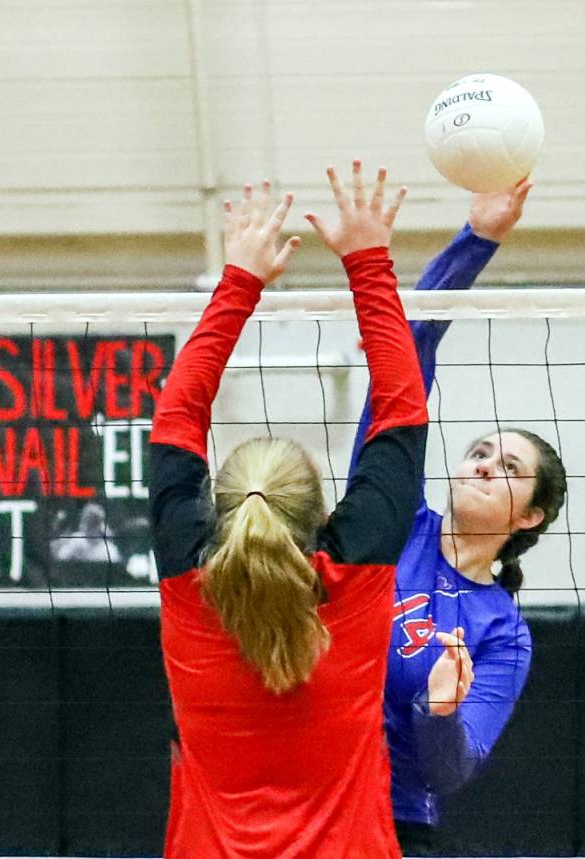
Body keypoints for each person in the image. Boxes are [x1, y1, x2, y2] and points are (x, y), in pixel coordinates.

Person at [148, 162, 428, 858]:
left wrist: (238, 282)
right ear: (321, 511)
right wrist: (365, 262)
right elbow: (402, 407)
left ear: (216, 511)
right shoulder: (355, 577)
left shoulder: (191, 581)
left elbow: (175, 419)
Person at [347, 180, 568, 854]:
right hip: (310, 795)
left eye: (507, 466)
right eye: (478, 451)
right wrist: (478, 240)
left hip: (397, 823)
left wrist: (438, 711)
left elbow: (451, 769)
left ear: (529, 518)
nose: (481, 465)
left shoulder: (502, 631)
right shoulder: (393, 522)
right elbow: (407, 354)